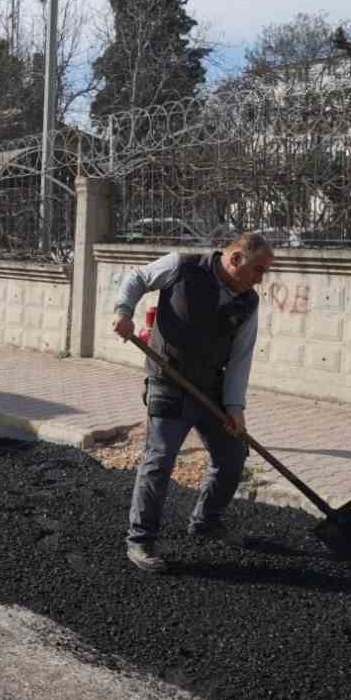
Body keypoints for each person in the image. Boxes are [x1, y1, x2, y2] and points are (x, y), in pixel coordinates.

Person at [110, 232, 275, 573]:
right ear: (235, 260)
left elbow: (241, 357)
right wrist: (124, 310)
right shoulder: (183, 266)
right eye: (258, 269)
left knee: (232, 456)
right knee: (159, 460)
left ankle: (205, 523)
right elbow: (138, 277)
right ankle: (140, 540)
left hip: (210, 387)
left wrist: (234, 408)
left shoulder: (249, 302)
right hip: (168, 380)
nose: (261, 278)